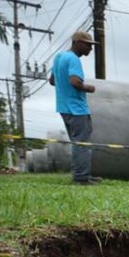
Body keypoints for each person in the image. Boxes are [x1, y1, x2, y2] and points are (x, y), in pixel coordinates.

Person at [49, 31, 98, 184]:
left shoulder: (59, 57)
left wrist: (64, 87)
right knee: (82, 144)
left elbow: (52, 81)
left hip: (63, 107)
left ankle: (83, 174)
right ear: (77, 43)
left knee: (77, 143)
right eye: (88, 45)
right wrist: (88, 88)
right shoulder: (74, 59)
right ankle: (81, 178)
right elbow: (75, 82)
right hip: (77, 109)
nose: (90, 49)